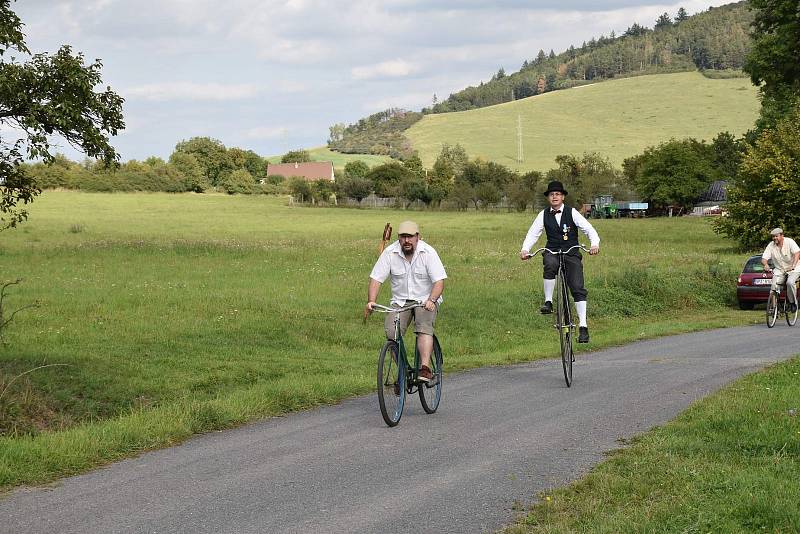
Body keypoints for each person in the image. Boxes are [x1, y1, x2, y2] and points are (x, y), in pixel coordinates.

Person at [365, 220, 447, 382]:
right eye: (403, 237)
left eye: (410, 237)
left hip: (425, 300)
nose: (407, 240)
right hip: (400, 302)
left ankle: (425, 368)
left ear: (418, 237)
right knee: (391, 334)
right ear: (399, 238)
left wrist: (432, 300)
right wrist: (371, 301)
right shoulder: (390, 252)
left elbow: (439, 282)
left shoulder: (428, 253)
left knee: (423, 327)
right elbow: (376, 279)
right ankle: (402, 372)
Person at [519, 181, 600, 343]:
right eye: (551, 194)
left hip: (571, 251)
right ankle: (548, 302)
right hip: (553, 250)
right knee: (549, 263)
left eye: (557, 194)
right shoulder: (543, 215)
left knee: (577, 287)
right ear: (548, 198)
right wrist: (525, 249)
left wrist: (594, 244)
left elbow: (588, 229)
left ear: (562, 197)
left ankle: (583, 327)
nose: (554, 196)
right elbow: (533, 233)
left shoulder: (572, 213)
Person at [762, 228, 800, 312]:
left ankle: (793, 303)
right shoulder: (771, 245)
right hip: (780, 270)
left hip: (794, 268)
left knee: (790, 283)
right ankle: (774, 308)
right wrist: (766, 264)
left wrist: (793, 265)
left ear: (782, 236)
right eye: (773, 237)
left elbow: (797, 253)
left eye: (776, 236)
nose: (774, 238)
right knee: (773, 287)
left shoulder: (789, 242)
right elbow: (764, 258)